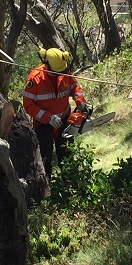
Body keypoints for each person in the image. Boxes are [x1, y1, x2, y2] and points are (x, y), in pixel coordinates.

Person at [23, 47, 87, 178]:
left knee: (66, 155)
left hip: (64, 120)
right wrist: (48, 118)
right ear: (47, 66)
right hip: (44, 125)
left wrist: (80, 100)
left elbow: (75, 88)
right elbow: (28, 105)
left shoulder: (64, 73)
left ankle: (70, 186)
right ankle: (46, 187)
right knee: (45, 158)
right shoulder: (34, 79)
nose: (59, 75)